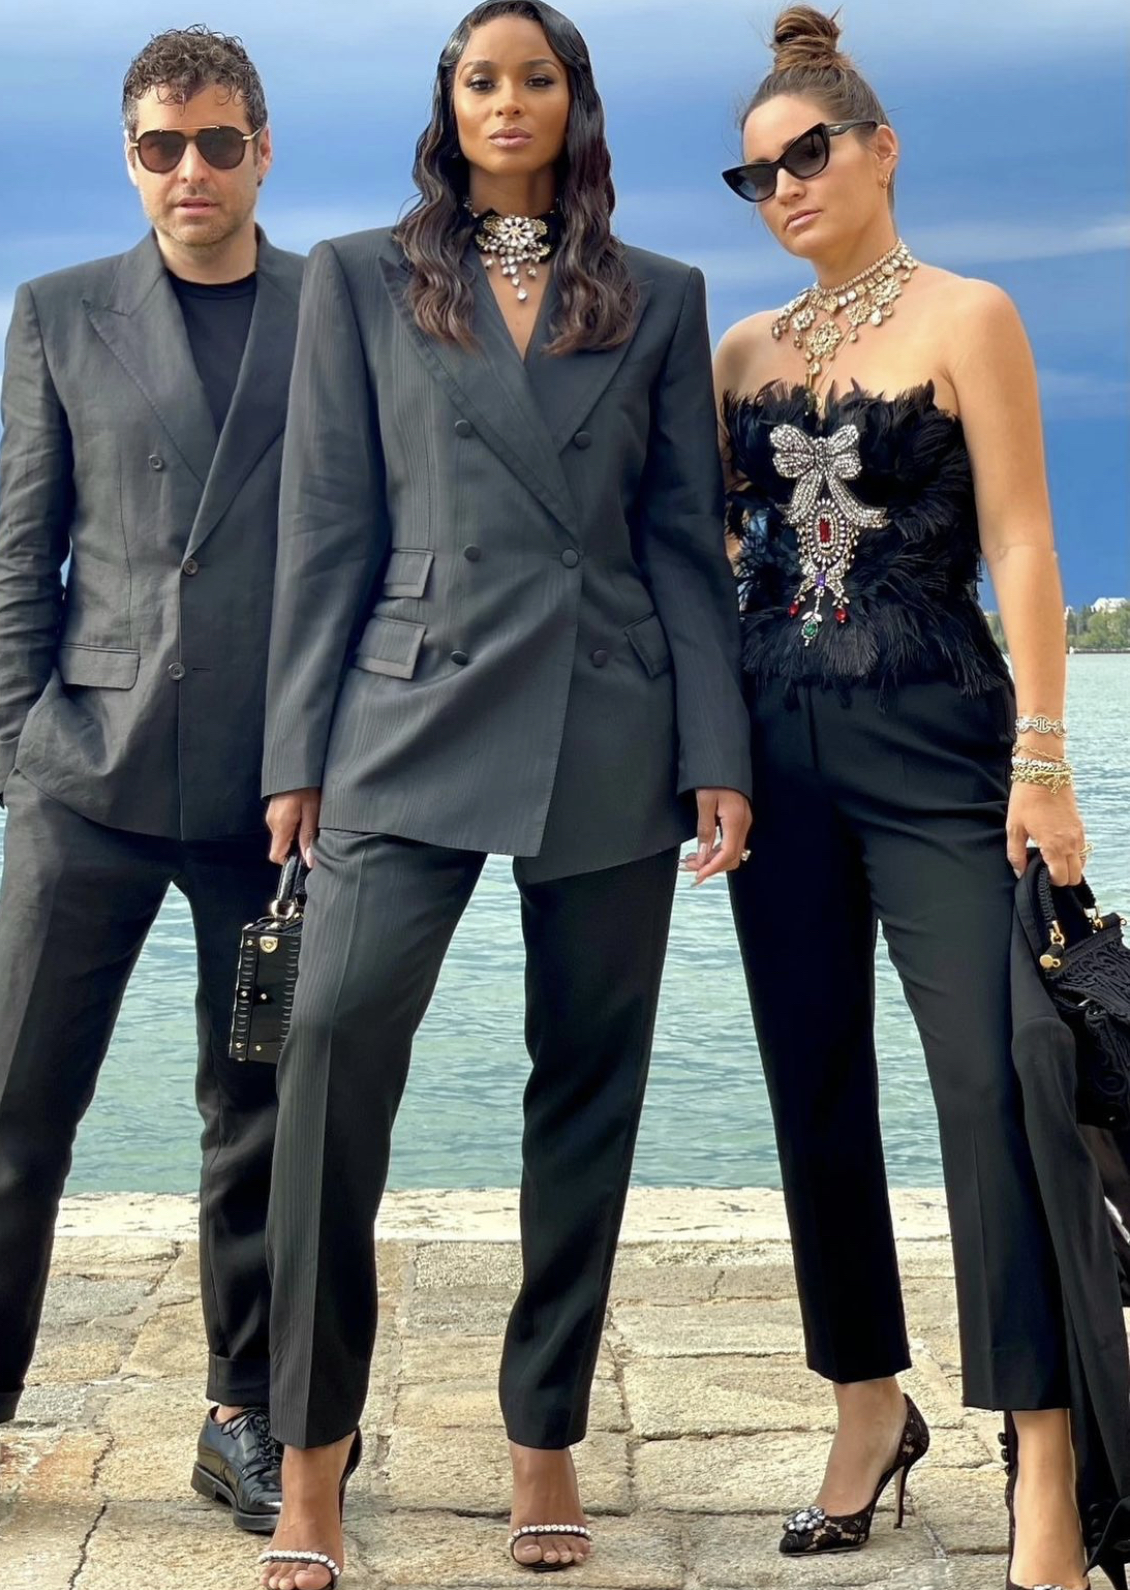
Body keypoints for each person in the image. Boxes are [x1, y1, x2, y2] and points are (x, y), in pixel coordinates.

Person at [255, 3, 751, 1584]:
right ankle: (310, 1454)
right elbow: (325, 523)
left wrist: (717, 747)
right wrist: (294, 754)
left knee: (588, 1083)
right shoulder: (359, 277)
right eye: (483, 78)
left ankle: (545, 1431)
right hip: (405, 709)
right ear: (451, 105)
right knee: (329, 1045)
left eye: (537, 76)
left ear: (573, 103)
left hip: (609, 716)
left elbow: (684, 540)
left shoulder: (658, 293)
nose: (509, 99)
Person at [0, 26, 302, 1544]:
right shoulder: (57, 312)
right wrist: (13, 756)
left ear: (263, 151)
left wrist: (335, 758)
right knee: (11, 1110)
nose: (192, 170)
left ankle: (243, 1414)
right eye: (163, 146)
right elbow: (21, 547)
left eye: (219, 142)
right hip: (85, 780)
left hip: (271, 801)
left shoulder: (339, 308)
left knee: (257, 1106)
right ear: (131, 157)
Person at [714, 8, 1127, 1589]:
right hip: (775, 754)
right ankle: (866, 1407)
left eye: (807, 154)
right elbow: (704, 557)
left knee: (1001, 1079)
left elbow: (1023, 540)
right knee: (812, 1078)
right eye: (757, 176)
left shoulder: (971, 315)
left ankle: (1046, 1460)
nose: (786, 188)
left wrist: (1046, 755)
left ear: (880, 148)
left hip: (941, 745)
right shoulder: (740, 353)